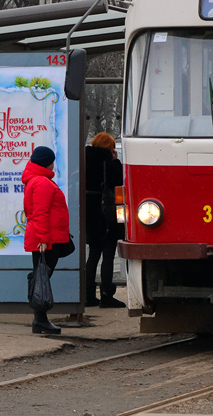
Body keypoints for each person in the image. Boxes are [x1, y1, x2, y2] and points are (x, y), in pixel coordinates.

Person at [23, 145, 70, 334]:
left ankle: (40, 319)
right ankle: (40, 320)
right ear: (48, 163)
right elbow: (39, 213)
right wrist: (43, 239)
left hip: (47, 237)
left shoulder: (36, 180)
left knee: (41, 276)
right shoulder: (42, 182)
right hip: (46, 239)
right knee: (41, 278)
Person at [84, 132, 124, 308]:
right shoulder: (109, 162)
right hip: (107, 213)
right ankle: (107, 295)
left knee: (93, 254)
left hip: (90, 213)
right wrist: (115, 161)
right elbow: (119, 184)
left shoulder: (84, 159)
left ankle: (88, 295)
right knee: (108, 253)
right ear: (110, 148)